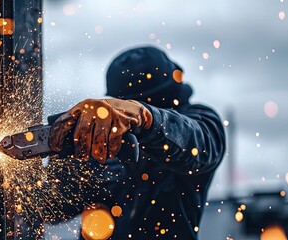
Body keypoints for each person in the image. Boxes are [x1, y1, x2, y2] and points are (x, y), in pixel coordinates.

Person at [49, 46, 226, 239]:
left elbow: (193, 142)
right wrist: (65, 157)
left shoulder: (200, 121)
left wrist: (147, 119)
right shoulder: (105, 147)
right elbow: (53, 208)